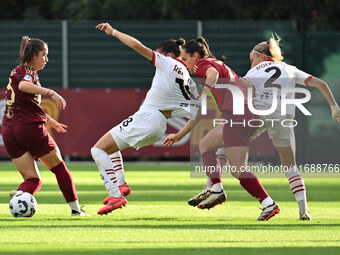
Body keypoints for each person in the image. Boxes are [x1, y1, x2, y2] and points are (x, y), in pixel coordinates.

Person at [164, 37, 279, 221]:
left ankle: (268, 204)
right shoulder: (216, 63)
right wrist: (180, 134)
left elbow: (212, 75)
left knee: (238, 169)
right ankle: (216, 189)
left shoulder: (202, 65)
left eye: (185, 59)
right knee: (205, 144)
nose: (185, 64)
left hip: (238, 116)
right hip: (241, 114)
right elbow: (246, 86)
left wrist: (205, 93)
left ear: (195, 55)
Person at [92, 23, 200, 215]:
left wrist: (114, 32)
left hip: (148, 117)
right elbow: (199, 114)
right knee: (110, 147)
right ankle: (121, 185)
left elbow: (136, 45)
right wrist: (179, 134)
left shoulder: (167, 62)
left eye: (158, 53)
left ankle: (116, 194)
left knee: (97, 150)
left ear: (167, 54)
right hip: (159, 126)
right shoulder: (189, 82)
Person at [241, 33, 340, 220]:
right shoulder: (289, 68)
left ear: (261, 57)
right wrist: (334, 107)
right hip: (283, 117)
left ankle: (214, 186)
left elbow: (240, 89)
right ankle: (304, 210)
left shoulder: (253, 72)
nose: (251, 63)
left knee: (225, 148)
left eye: (251, 60)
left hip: (259, 114)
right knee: (290, 166)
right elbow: (321, 83)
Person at [3, 36, 88, 216]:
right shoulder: (29, 73)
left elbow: (26, 103)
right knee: (59, 169)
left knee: (33, 180)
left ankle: (20, 195)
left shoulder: (16, 71)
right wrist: (52, 93)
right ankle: (75, 211)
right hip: (29, 129)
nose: (46, 60)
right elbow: (25, 85)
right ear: (34, 55)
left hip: (9, 131)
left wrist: (49, 120)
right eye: (44, 55)